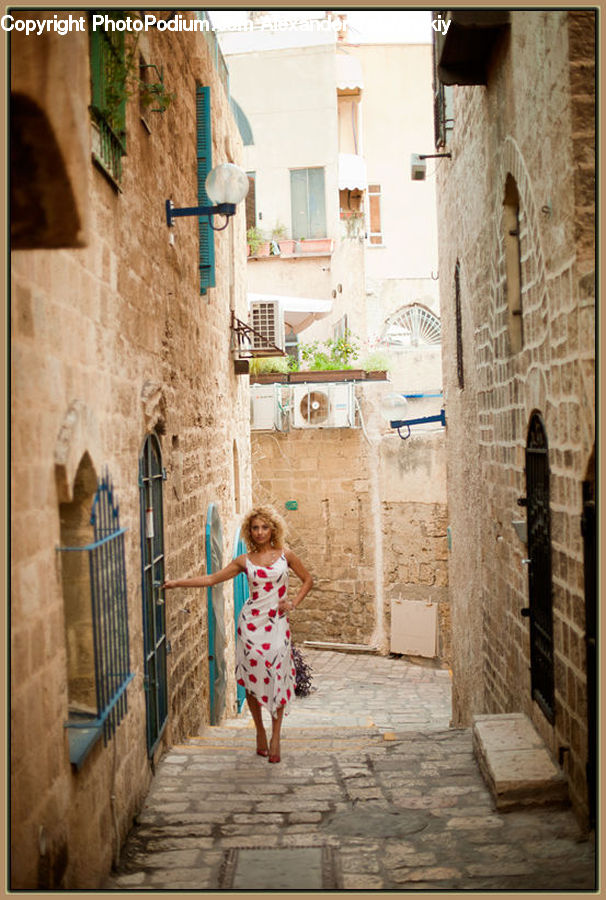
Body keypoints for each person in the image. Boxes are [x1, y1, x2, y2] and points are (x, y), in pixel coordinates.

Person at [162, 505, 313, 763]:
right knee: (253, 679)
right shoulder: (244, 561)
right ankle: (260, 731)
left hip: (277, 624)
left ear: (273, 529)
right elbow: (212, 580)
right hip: (251, 625)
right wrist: (175, 583)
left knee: (277, 673)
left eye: (264, 527)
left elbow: (308, 580)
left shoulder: (286, 555)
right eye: (255, 528)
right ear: (249, 531)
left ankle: (276, 736)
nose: (259, 532)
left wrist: (293, 603)